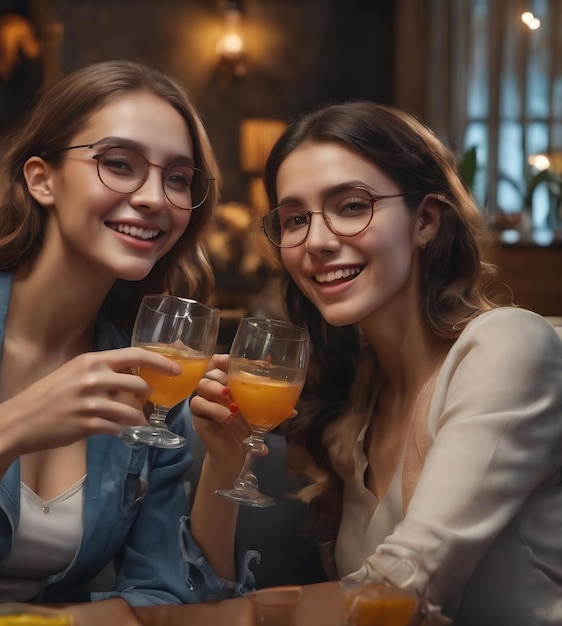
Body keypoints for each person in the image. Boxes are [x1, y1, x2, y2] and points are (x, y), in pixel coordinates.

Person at [190, 100, 562, 625]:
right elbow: (205, 588)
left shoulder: (508, 345)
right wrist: (223, 464)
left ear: (425, 220)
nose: (316, 241)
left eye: (350, 205)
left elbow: (399, 591)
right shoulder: (356, 404)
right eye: (295, 218)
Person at [0, 59, 255, 616]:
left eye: (178, 178)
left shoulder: (152, 377)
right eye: (119, 163)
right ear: (41, 179)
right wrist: (0, 435)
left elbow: (173, 600)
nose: (156, 197)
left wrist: (224, 471)